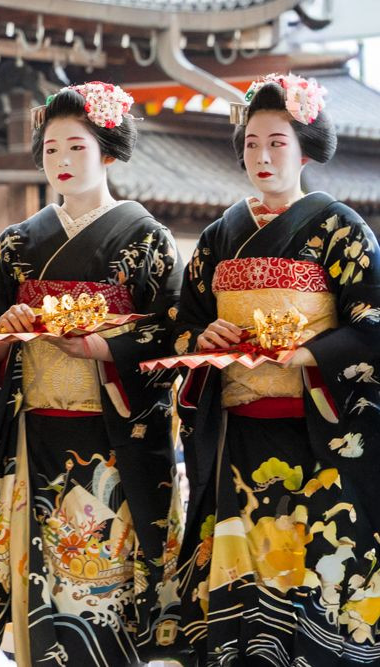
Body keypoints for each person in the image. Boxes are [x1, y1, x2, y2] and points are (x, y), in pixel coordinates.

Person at [0, 83, 186, 666]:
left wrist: (103, 348)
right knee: (35, 588)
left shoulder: (146, 239)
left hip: (110, 442)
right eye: (51, 149)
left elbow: (172, 330)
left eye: (76, 147)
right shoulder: (17, 244)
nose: (61, 160)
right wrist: (6, 329)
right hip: (32, 438)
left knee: (103, 588)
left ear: (107, 152)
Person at [174, 72, 380, 665]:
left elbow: (372, 320)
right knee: (240, 578)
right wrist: (203, 337)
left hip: (316, 437)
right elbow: (183, 324)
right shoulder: (219, 235)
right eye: (251, 144)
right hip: (237, 435)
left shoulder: (340, 227)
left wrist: (308, 352)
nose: (261, 157)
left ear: (304, 149)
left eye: (276, 143)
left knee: (315, 571)